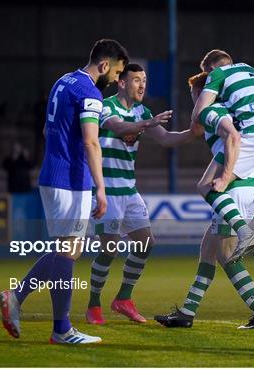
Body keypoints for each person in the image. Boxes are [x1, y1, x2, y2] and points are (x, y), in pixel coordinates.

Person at [0, 39, 129, 344]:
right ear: (105, 64)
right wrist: (101, 187)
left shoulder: (62, 82)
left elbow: (47, 130)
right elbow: (91, 142)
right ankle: (60, 328)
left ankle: (18, 298)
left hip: (52, 174)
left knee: (66, 251)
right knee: (67, 253)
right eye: (117, 72)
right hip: (72, 179)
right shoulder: (89, 92)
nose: (116, 80)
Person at [154, 72, 254, 330]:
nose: (195, 100)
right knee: (207, 251)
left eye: (194, 95)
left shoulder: (217, 110)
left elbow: (227, 137)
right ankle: (187, 313)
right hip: (246, 185)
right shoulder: (233, 111)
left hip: (234, 189)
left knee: (227, 256)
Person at [85, 63, 195, 325]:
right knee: (109, 247)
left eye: (144, 80)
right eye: (136, 80)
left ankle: (123, 298)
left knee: (146, 243)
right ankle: (93, 304)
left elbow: (167, 139)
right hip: (107, 189)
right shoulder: (106, 106)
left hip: (129, 189)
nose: (142, 85)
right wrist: (146, 123)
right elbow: (118, 127)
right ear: (122, 83)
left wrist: (195, 132)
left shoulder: (141, 110)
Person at [190, 50, 254, 262]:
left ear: (212, 69)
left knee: (205, 186)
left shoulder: (218, 76)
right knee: (211, 253)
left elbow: (197, 115)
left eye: (206, 74)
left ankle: (245, 232)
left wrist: (225, 177)